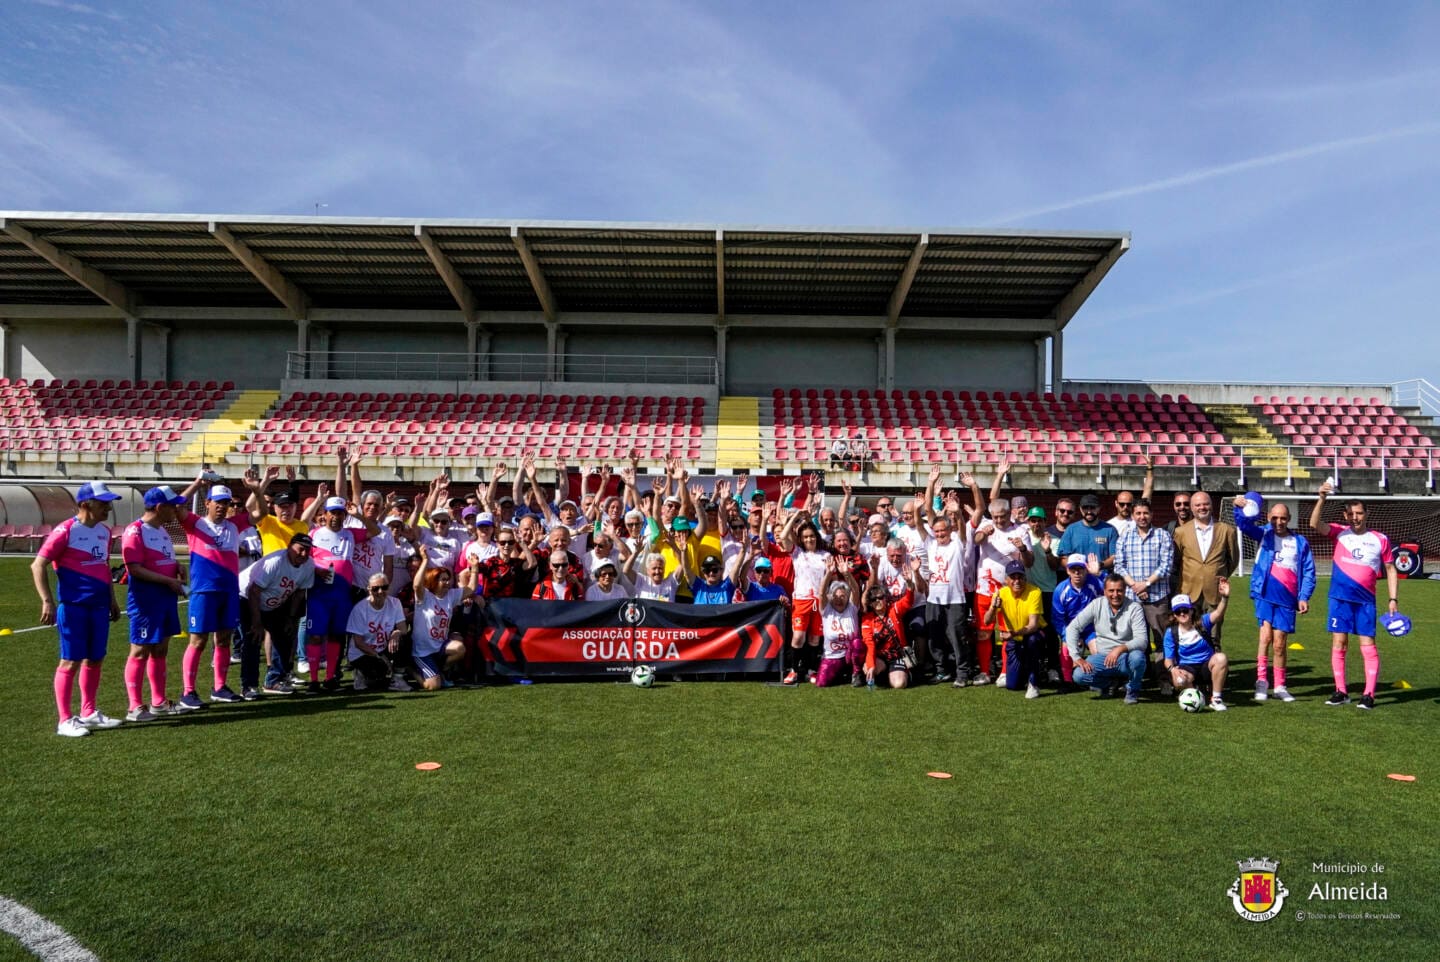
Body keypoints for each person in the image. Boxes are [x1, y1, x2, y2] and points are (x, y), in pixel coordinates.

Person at [33, 481, 124, 736]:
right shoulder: (65, 531)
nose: (108, 507)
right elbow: (38, 565)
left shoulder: (105, 532)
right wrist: (47, 601)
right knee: (69, 661)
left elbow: (104, 567)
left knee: (95, 658)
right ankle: (64, 720)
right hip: (73, 607)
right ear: (85, 504)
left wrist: (112, 599)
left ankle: (89, 711)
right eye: (103, 502)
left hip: (98, 607)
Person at [175, 473, 264, 708]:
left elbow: (261, 513)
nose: (223, 507)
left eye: (226, 503)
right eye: (219, 503)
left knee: (223, 639)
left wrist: (256, 490)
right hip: (204, 591)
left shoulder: (234, 525)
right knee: (198, 641)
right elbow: (176, 506)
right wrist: (196, 483)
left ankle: (219, 687)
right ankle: (188, 692)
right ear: (208, 503)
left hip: (228, 591)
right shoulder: (196, 524)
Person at [1308, 481, 1399, 710]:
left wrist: (1392, 599)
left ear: (1367, 514)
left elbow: (1390, 569)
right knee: (1339, 644)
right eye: (1351, 513)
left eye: (1359, 513)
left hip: (1366, 601)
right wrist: (1321, 498)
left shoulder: (1380, 539)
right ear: (1345, 515)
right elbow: (1314, 523)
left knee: (1367, 646)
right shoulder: (1339, 533)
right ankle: (1341, 691)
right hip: (1339, 599)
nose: (1355, 517)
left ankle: (1369, 695)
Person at [1233, 494, 1316, 703]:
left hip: (1287, 598)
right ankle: (1261, 682)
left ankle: (1280, 685)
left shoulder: (1299, 542)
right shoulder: (1263, 535)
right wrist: (1240, 507)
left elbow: (1308, 571)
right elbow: (1243, 523)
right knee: (1265, 637)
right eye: (1274, 518)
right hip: (1264, 595)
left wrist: (1304, 596)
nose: (1278, 522)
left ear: (1289, 519)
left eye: (1283, 519)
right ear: (1268, 517)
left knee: (1280, 643)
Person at [119, 485, 188, 720]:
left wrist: (176, 567)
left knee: (161, 649)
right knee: (140, 650)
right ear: (160, 508)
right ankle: (135, 706)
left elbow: (161, 559)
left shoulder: (162, 531)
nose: (176, 510)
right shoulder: (135, 531)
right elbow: (134, 569)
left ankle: (158, 701)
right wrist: (169, 580)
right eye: (172, 506)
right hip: (146, 601)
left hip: (165, 598)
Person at [303, 489, 381, 693]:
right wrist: (317, 570)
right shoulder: (314, 534)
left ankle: (330, 678)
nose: (336, 517)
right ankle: (313, 680)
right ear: (325, 514)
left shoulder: (350, 534)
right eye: (332, 512)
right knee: (316, 636)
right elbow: (303, 560)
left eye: (340, 513)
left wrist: (357, 514)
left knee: (336, 635)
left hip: (342, 595)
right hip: (319, 595)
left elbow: (375, 530)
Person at [242, 533, 316, 695]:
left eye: (307, 550)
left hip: (272, 603)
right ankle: (248, 686)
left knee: (284, 635)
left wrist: (290, 618)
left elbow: (299, 593)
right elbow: (254, 591)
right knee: (253, 638)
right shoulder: (275, 562)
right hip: (245, 597)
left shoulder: (309, 565)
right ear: (289, 547)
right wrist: (257, 622)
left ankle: (274, 680)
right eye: (300, 549)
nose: (303, 554)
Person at [1065, 573, 1148, 705]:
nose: (1115, 594)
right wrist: (1076, 657)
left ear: (1125, 590)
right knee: (1079, 675)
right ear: (1104, 591)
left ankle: (1133, 689)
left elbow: (1142, 640)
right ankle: (1108, 684)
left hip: (1125, 657)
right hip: (1102, 657)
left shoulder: (1134, 608)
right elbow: (1072, 628)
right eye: (1111, 591)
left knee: (1138, 658)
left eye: (1119, 590)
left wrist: (1119, 649)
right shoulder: (1096, 604)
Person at [860, 557, 926, 689]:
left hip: (897, 655)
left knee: (899, 684)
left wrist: (909, 583)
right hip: (880, 656)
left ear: (886, 598)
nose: (877, 601)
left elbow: (908, 600)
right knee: (867, 668)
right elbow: (870, 644)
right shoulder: (867, 619)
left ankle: (903, 673)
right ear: (870, 603)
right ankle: (884, 673)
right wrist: (872, 666)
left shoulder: (894, 609)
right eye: (873, 599)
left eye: (880, 597)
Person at [410, 546, 469, 691]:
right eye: (444, 580)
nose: (448, 583)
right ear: (434, 581)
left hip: (440, 646)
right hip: (422, 650)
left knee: (459, 648)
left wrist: (474, 569)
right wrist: (425, 560)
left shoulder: (450, 595)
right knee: (433, 686)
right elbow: (417, 584)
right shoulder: (425, 597)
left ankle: (442, 671)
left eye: (448, 579)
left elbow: (471, 589)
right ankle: (409, 669)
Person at [1162, 586, 1231, 711]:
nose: (1182, 613)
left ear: (1191, 611)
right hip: (1187, 667)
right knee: (1178, 681)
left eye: (1185, 610)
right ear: (1174, 615)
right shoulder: (1171, 633)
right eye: (1178, 611)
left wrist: (1225, 597)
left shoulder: (1202, 623)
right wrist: (1173, 670)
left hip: (1207, 665)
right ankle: (1196, 696)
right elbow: (1168, 659)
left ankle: (1216, 699)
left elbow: (1218, 614)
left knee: (1221, 658)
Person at [345, 573, 411, 691]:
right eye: (376, 588)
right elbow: (358, 643)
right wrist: (380, 657)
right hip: (362, 652)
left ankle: (398, 678)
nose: (380, 591)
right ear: (369, 589)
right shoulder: (360, 609)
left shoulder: (395, 603)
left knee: (404, 639)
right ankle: (361, 672)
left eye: (384, 587)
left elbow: (403, 629)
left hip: (382, 648)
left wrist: (396, 633)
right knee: (378, 678)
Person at [993, 559, 1046, 699]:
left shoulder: (1034, 592)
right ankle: (1025, 673)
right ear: (1006, 579)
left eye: (1020, 577)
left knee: (1032, 640)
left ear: (1025, 578)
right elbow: (987, 620)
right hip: (1014, 640)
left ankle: (1033, 683)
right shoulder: (1001, 593)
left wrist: (1013, 633)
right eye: (1013, 577)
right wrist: (993, 607)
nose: (1017, 581)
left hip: (1032, 635)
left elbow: (1033, 625)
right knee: (1013, 685)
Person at [1051, 554, 1103, 683]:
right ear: (1067, 571)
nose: (1077, 573)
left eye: (1080, 569)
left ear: (1086, 569)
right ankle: (1068, 681)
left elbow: (1111, 588)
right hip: (1071, 628)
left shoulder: (1095, 582)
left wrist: (1098, 574)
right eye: (1073, 569)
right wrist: (1067, 636)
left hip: (1091, 628)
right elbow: (1058, 619)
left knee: (1098, 650)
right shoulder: (1060, 590)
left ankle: (1098, 679)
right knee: (1066, 647)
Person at [814, 560, 861, 687]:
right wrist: (829, 573)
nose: (839, 599)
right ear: (830, 597)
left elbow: (856, 591)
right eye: (835, 596)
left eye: (842, 596)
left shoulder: (852, 608)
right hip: (832, 657)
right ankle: (841, 674)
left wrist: (846, 574)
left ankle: (856, 673)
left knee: (857, 642)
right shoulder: (826, 609)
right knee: (821, 683)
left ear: (847, 597)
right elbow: (821, 593)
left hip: (851, 655)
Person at [1057, 493, 1119, 571]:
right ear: (1080, 509)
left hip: (1102, 579)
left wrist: (1100, 565)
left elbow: (1115, 557)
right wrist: (1078, 567)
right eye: (1085, 508)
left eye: (1092, 507)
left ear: (1099, 508)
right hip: (1078, 579)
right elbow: (1063, 558)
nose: (1089, 511)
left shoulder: (1110, 530)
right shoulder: (1071, 530)